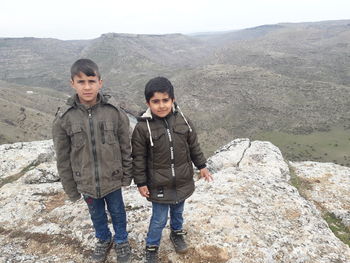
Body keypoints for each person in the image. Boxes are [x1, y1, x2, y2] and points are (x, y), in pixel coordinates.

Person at [52, 58, 132, 263]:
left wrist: (127, 175)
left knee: (117, 212)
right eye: (81, 82)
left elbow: (125, 145)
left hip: (112, 178)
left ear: (100, 82)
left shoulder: (114, 111)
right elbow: (62, 156)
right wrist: (70, 187)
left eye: (91, 81)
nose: (87, 87)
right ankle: (103, 239)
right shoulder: (65, 118)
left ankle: (122, 241)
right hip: (85, 180)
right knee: (96, 214)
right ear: (72, 84)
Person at [132, 76, 213, 263]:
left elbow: (194, 147)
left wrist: (202, 166)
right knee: (159, 219)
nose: (161, 106)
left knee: (178, 212)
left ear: (173, 100)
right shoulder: (143, 128)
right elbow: (138, 158)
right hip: (158, 184)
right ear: (148, 103)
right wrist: (141, 182)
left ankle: (177, 234)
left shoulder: (183, 121)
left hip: (182, 180)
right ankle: (151, 247)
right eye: (156, 101)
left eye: (165, 100)